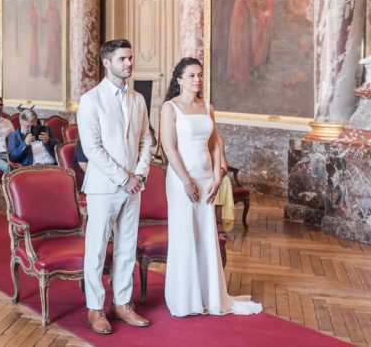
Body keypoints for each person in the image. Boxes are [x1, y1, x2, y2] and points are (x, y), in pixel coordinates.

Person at [159, 57, 262, 317]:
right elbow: (169, 147)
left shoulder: (207, 107)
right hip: (182, 178)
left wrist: (218, 177)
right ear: (179, 80)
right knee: (185, 234)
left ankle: (210, 296)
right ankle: (186, 299)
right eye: (192, 75)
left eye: (200, 75)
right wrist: (186, 180)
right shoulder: (170, 108)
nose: (197, 80)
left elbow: (215, 143)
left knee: (206, 235)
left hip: (206, 178)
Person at [78, 39, 153, 334]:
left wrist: (141, 174)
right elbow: (92, 148)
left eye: (131, 58)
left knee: (127, 247)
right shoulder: (91, 100)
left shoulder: (138, 99)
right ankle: (95, 309)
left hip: (134, 187)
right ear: (107, 62)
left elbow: (147, 140)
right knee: (96, 249)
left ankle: (122, 303)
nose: (129, 64)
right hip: (103, 186)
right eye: (123, 59)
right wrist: (125, 178)